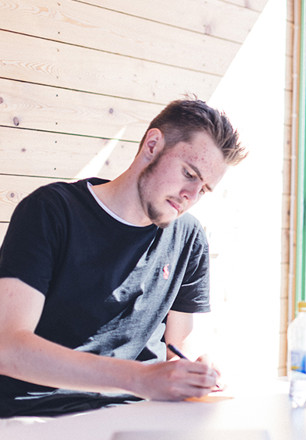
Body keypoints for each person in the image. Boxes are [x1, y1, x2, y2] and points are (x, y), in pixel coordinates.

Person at [0, 98, 247, 418]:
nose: (191, 195)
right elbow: (8, 348)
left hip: (140, 415)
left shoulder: (188, 236)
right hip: (39, 414)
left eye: (204, 189)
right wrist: (138, 378)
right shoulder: (50, 211)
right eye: (189, 173)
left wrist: (196, 371)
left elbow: (179, 348)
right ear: (152, 145)